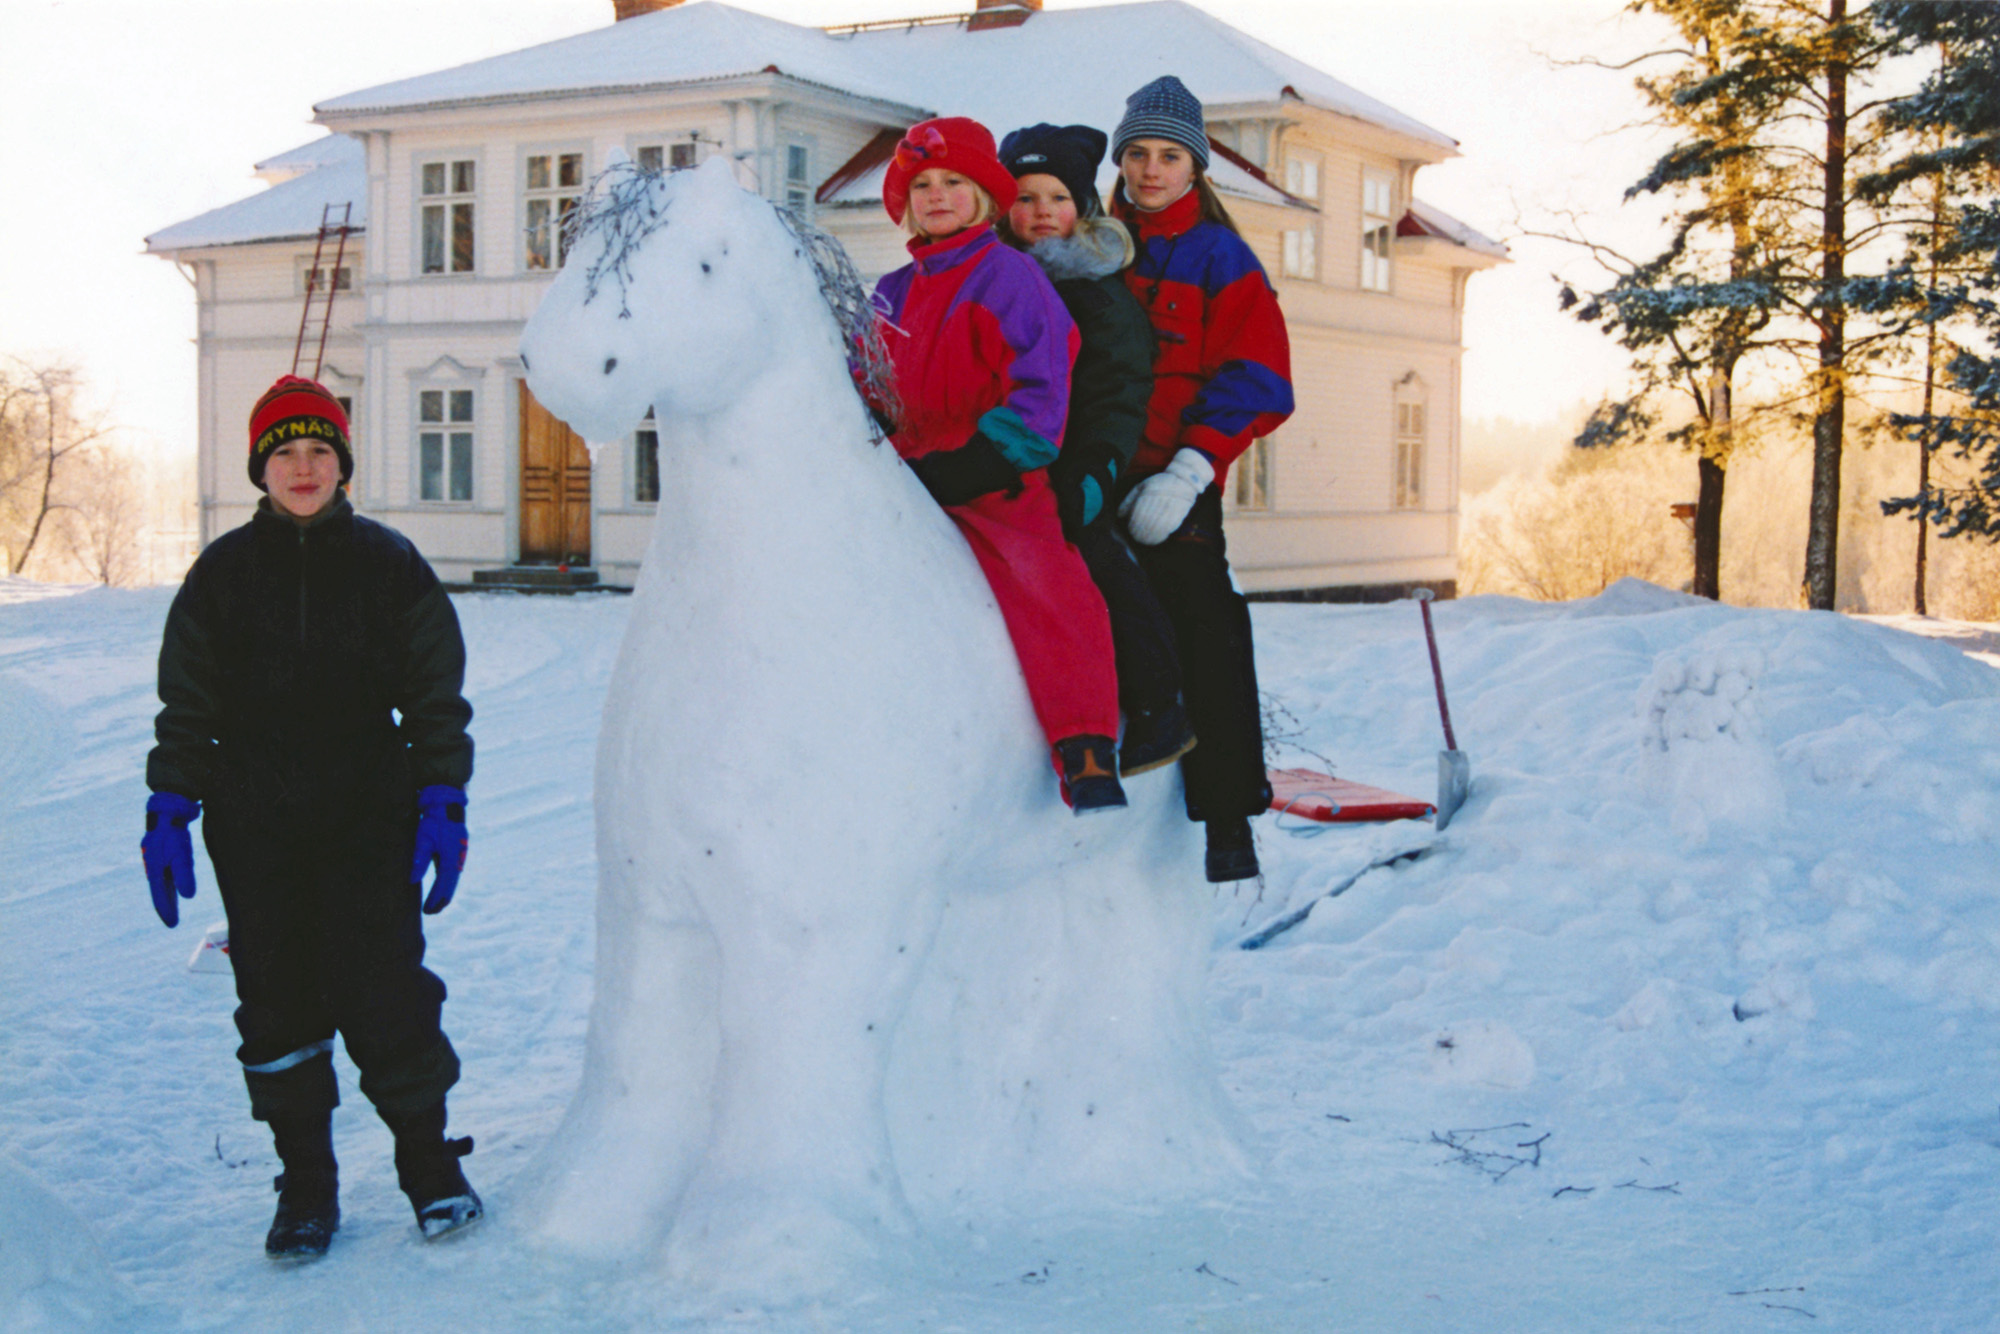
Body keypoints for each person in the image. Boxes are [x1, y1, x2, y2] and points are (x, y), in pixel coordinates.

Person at [141, 375, 482, 1260]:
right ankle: (306, 1182)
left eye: (319, 451)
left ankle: (427, 1163)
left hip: (370, 812)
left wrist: (442, 796)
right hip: (254, 821)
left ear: (343, 464)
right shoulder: (221, 574)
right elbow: (188, 703)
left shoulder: (388, 562)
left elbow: (435, 697)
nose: (303, 467)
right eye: (285, 452)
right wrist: (172, 799)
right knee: (277, 1000)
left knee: (386, 991)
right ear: (260, 467)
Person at [873, 116, 1126, 813]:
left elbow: (1042, 390)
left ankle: (1084, 745)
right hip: (900, 478)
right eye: (921, 184)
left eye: (954, 181)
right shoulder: (891, 292)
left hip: (994, 483)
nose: (936, 195)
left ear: (986, 195)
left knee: (1049, 585)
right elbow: (863, 385)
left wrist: (976, 463)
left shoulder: (1010, 278)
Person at [1108, 76, 1296, 882]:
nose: (1151, 171)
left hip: (1174, 480)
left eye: (1169, 156)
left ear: (1196, 170)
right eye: (1138, 154)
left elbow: (1258, 377)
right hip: (1093, 472)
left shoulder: (1224, 259)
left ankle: (1226, 815)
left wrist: (1188, 473)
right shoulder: (1091, 246)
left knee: (1205, 621)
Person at [995, 122, 1197, 779]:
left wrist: (1095, 467)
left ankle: (1159, 705)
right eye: (1024, 198)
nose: (1039, 212)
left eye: (1055, 197)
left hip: (1077, 458)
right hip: (1000, 457)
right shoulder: (991, 278)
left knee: (1091, 551)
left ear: (1080, 206)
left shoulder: (1099, 293)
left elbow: (1119, 392)